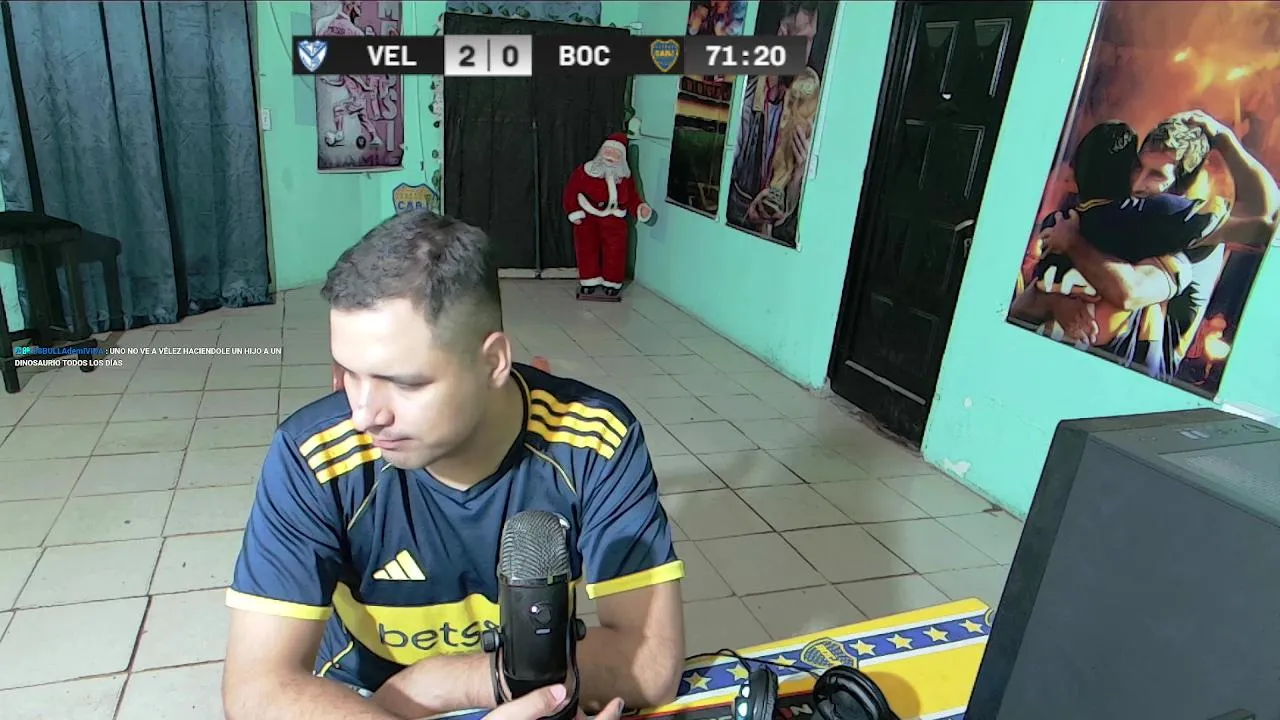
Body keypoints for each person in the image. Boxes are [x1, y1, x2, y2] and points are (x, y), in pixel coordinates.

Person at [223, 210, 685, 720]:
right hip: (361, 700)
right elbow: (256, 690)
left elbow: (652, 662)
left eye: (405, 382)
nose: (364, 415)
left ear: (493, 362)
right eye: (348, 374)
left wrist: (443, 682)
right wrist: (406, 699)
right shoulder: (316, 455)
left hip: (504, 689)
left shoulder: (593, 439)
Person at [1034, 111, 1279, 376]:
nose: (1138, 184)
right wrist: (1055, 302)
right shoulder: (1122, 216)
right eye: (1137, 167)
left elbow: (1264, 212)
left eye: (1156, 175)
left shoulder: (1191, 235)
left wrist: (1223, 138)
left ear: (1182, 186)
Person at [726, 1, 821, 245]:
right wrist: (750, 215)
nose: (807, 52)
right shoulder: (745, 97)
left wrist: (799, 176)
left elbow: (800, 227)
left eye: (811, 40)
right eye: (803, 40)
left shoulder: (811, 106)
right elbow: (721, 184)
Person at [562, 133, 652, 298]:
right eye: (607, 151)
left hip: (614, 217)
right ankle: (589, 280)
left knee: (615, 250)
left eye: (615, 154)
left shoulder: (624, 178)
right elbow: (571, 191)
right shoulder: (585, 171)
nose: (610, 156)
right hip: (588, 215)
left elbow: (632, 197)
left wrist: (640, 209)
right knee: (587, 248)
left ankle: (612, 282)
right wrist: (574, 211)